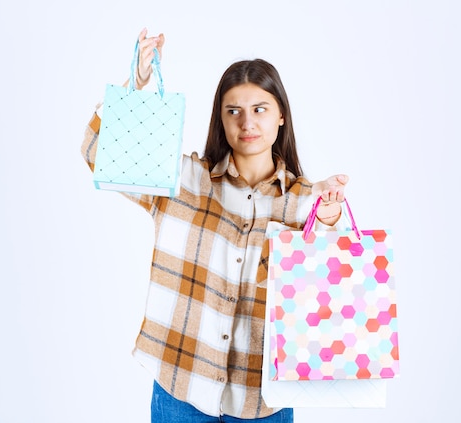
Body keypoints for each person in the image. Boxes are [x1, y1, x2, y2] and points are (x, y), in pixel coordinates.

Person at [81, 28, 350, 422]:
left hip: (262, 403)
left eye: (260, 108)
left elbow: (327, 296)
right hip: (180, 392)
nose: (247, 122)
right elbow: (96, 150)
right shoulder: (184, 181)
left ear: (280, 118)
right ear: (220, 120)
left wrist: (328, 219)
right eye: (233, 110)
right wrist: (135, 88)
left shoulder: (306, 202)